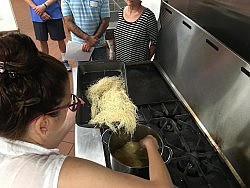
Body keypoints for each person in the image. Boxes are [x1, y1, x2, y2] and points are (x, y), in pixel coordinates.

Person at [0, 32, 173, 188]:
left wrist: (70, 115)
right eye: (69, 103)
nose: (73, 105)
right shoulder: (48, 172)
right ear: (43, 125)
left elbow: (43, 137)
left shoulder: (9, 135)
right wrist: (150, 144)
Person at [23, 0, 71, 71]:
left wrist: (44, 6)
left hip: (54, 12)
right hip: (36, 14)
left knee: (60, 38)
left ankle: (64, 60)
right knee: (42, 40)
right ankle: (46, 62)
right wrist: (37, 10)